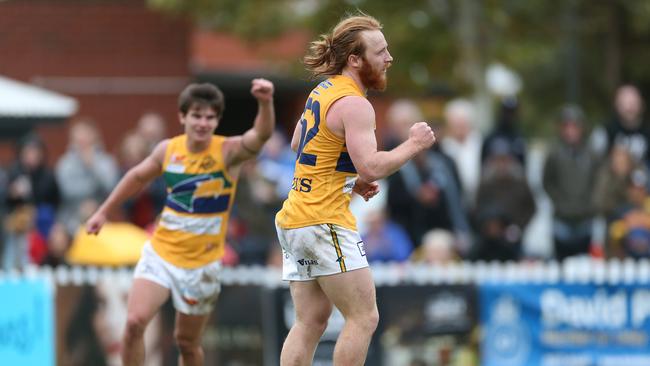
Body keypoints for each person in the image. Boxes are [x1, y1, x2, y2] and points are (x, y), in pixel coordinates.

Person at [274, 13, 435, 366]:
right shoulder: (356, 104)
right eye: (380, 52)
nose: (389, 58)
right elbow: (372, 166)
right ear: (355, 60)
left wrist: (347, 180)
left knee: (310, 321)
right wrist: (413, 144)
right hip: (324, 221)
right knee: (364, 318)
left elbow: (298, 144)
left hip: (295, 219)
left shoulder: (322, 90)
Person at [85, 78, 275, 366]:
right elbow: (136, 176)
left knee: (186, 343)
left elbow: (260, 135)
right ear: (182, 117)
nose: (202, 122)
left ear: (217, 120)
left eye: (210, 117)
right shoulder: (168, 150)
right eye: (196, 115)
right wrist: (103, 211)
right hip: (161, 253)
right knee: (134, 322)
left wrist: (265, 102)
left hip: (202, 265)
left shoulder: (228, 152)